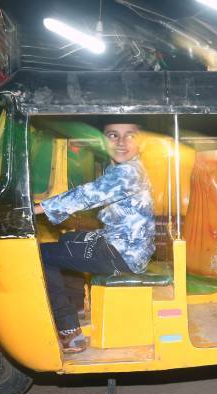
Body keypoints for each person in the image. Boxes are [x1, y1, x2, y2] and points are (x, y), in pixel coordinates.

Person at [34, 122, 155, 353]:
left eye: (129, 136)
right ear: (104, 140)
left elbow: (89, 194)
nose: (121, 142)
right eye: (113, 135)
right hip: (123, 247)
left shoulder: (128, 172)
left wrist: (35, 209)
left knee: (40, 255)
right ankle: (79, 308)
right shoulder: (123, 168)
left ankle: (69, 330)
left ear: (140, 141)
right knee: (67, 241)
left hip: (121, 253)